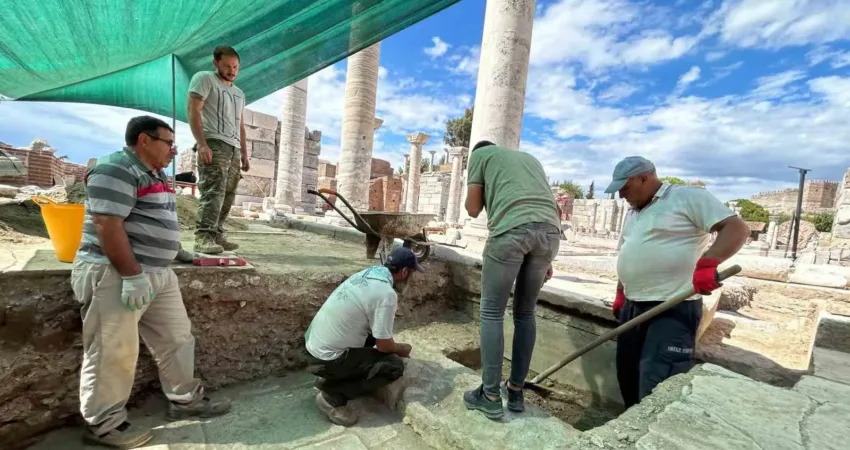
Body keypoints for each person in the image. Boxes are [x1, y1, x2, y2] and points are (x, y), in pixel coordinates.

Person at [71, 116, 231, 448]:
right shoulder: (115, 168)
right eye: (168, 143)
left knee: (177, 338)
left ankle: (184, 400)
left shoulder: (156, 174)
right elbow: (107, 225)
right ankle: (104, 425)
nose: (174, 150)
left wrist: (178, 252)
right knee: (112, 350)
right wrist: (132, 275)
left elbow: (156, 220)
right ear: (144, 140)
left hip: (158, 273)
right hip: (116, 273)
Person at [606, 156, 749, 408]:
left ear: (644, 178)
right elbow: (629, 253)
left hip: (671, 308)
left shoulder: (688, 197)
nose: (621, 194)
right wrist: (620, 292)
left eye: (625, 187)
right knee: (628, 375)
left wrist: (708, 263)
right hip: (632, 305)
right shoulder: (633, 212)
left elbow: (736, 228)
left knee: (657, 382)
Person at [461, 141, 562, 420]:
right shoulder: (530, 160)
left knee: (492, 312)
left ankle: (490, 396)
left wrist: (478, 187)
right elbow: (553, 210)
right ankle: (515, 391)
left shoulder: (480, 155)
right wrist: (545, 257)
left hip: (511, 233)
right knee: (526, 313)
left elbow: (473, 209)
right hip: (550, 235)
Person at [304, 247, 422, 426]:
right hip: (325, 360)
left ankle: (330, 377)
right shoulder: (386, 294)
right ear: (404, 272)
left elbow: (378, 335)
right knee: (393, 366)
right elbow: (384, 346)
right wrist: (403, 348)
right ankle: (332, 396)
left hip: (311, 349)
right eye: (411, 274)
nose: (410, 279)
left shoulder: (367, 274)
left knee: (373, 334)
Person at [187, 45, 249, 255]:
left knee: (229, 193)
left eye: (235, 67)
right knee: (213, 190)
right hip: (213, 142)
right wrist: (202, 143)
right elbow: (193, 110)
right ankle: (203, 236)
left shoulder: (239, 93)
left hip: (234, 147)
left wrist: (244, 153)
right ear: (215, 63)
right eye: (227, 66)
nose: (232, 71)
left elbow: (240, 124)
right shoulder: (204, 79)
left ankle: (217, 233)